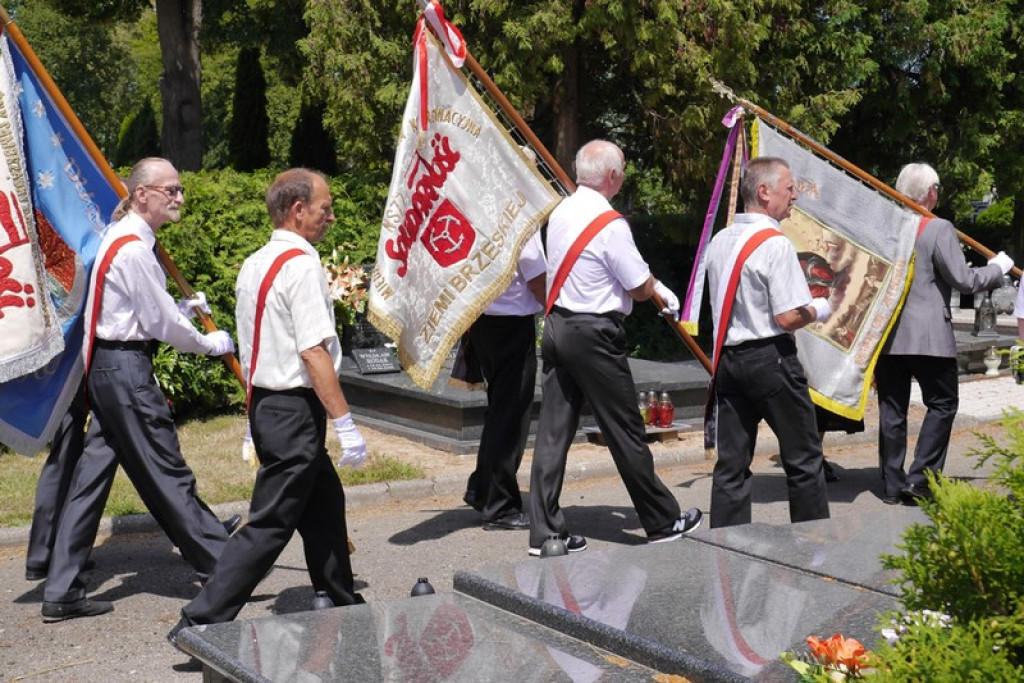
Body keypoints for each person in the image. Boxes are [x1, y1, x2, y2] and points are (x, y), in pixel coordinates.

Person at [170, 168, 367, 642]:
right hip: (292, 407)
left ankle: (342, 599)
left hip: (270, 405)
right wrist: (346, 423)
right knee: (270, 524)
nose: (331, 217)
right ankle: (200, 620)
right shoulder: (301, 266)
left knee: (323, 502)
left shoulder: (255, 262)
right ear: (298, 211)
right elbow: (313, 352)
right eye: (325, 208)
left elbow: (258, 345)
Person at [39, 157, 237, 622]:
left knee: (91, 482)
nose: (180, 199)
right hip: (125, 371)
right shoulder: (132, 249)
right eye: (172, 190)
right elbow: (156, 322)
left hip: (110, 368)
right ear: (143, 193)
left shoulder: (124, 237)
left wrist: (183, 308)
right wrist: (210, 342)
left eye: (180, 189)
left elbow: (138, 309)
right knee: (165, 468)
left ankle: (62, 588)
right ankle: (225, 564)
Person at [527, 139, 702, 557]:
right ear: (611, 176)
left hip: (556, 325)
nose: (623, 173)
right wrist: (660, 288)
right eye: (622, 167)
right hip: (593, 334)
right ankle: (661, 521)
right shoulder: (610, 223)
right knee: (625, 429)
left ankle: (544, 533)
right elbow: (638, 287)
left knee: (552, 434)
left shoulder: (562, 211)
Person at [705, 156, 831, 529]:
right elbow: (788, 317)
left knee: (732, 464)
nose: (794, 197)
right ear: (764, 192)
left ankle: (725, 549)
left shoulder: (721, 239)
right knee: (804, 459)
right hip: (771, 359)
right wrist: (819, 309)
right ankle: (814, 548)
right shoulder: (776, 244)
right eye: (789, 189)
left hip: (729, 360)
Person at [877, 163, 1012, 504]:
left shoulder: (885, 227)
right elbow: (964, 280)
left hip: (888, 334)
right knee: (943, 403)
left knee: (892, 409)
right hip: (928, 336)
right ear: (931, 192)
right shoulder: (938, 228)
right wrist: (997, 269)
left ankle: (892, 484)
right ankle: (919, 479)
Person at [461, 231, 545, 530]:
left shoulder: (479, 212)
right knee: (510, 416)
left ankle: (483, 488)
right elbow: (537, 279)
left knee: (499, 411)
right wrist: (560, 308)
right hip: (510, 324)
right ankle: (501, 507)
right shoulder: (519, 218)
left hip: (483, 321)